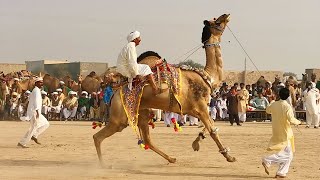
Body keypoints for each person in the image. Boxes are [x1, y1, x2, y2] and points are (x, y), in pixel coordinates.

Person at [262, 88, 301, 178]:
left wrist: (272, 102)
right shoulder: (287, 106)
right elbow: (291, 119)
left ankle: (281, 172)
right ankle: (267, 160)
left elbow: (267, 110)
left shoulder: (274, 104)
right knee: (288, 155)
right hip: (285, 133)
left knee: (288, 154)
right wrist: (299, 122)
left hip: (276, 131)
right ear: (288, 96)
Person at [18, 77, 49, 148]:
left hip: (36, 111)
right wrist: (37, 111)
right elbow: (36, 102)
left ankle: (34, 135)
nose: (42, 83)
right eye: (40, 82)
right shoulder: (36, 91)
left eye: (42, 82)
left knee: (45, 124)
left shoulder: (36, 90)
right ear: (36, 83)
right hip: (34, 112)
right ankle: (23, 143)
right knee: (33, 128)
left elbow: (30, 99)